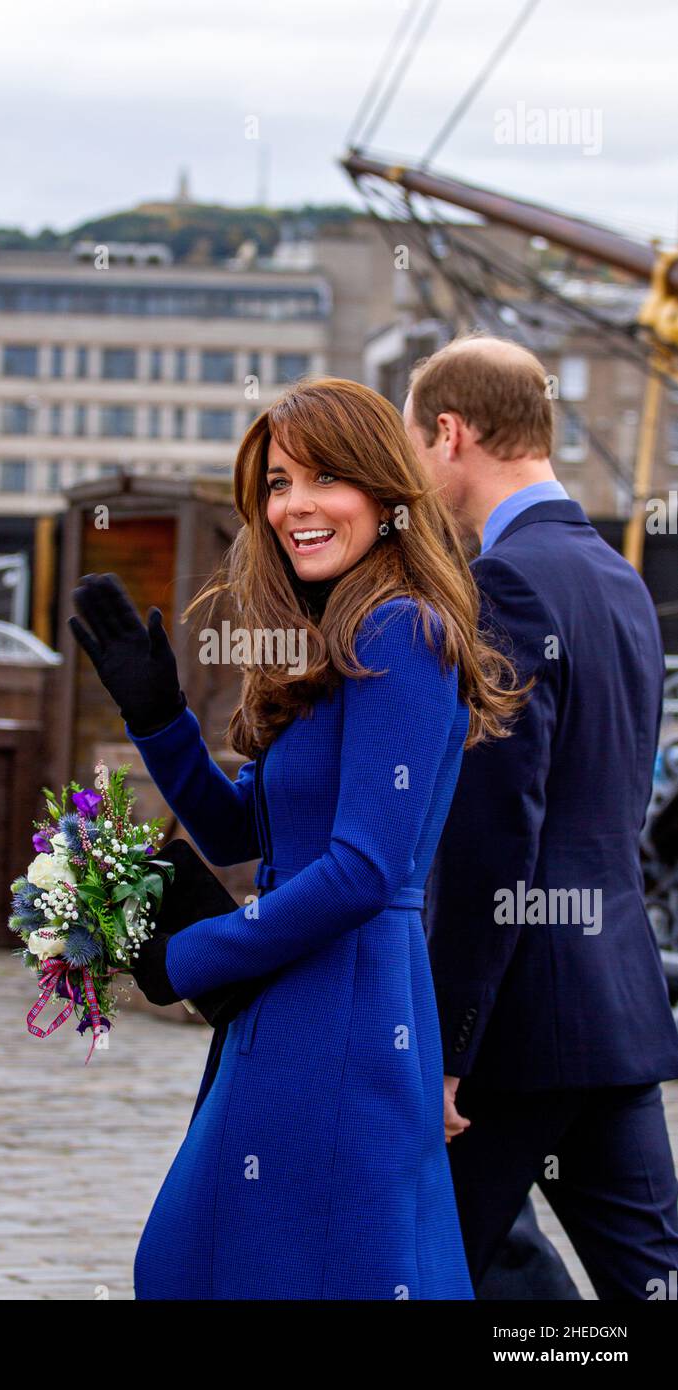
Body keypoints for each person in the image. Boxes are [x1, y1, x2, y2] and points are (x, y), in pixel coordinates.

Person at [68, 376, 525, 1300]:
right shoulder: (341, 635)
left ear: (387, 495)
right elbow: (243, 828)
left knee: (266, 1265)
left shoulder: (402, 630)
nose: (293, 506)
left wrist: (193, 955)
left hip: (343, 1009)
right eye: (277, 484)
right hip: (299, 997)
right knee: (230, 1263)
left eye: (324, 479)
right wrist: (156, 718)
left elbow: (363, 870)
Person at [405, 333, 678, 1301]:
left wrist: (448, 1044)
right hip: (618, 1007)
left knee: (422, 1270)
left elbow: (493, 839)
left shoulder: (502, 587)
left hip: (520, 1031)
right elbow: (619, 798)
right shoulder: (621, 580)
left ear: (450, 432)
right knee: (651, 1282)